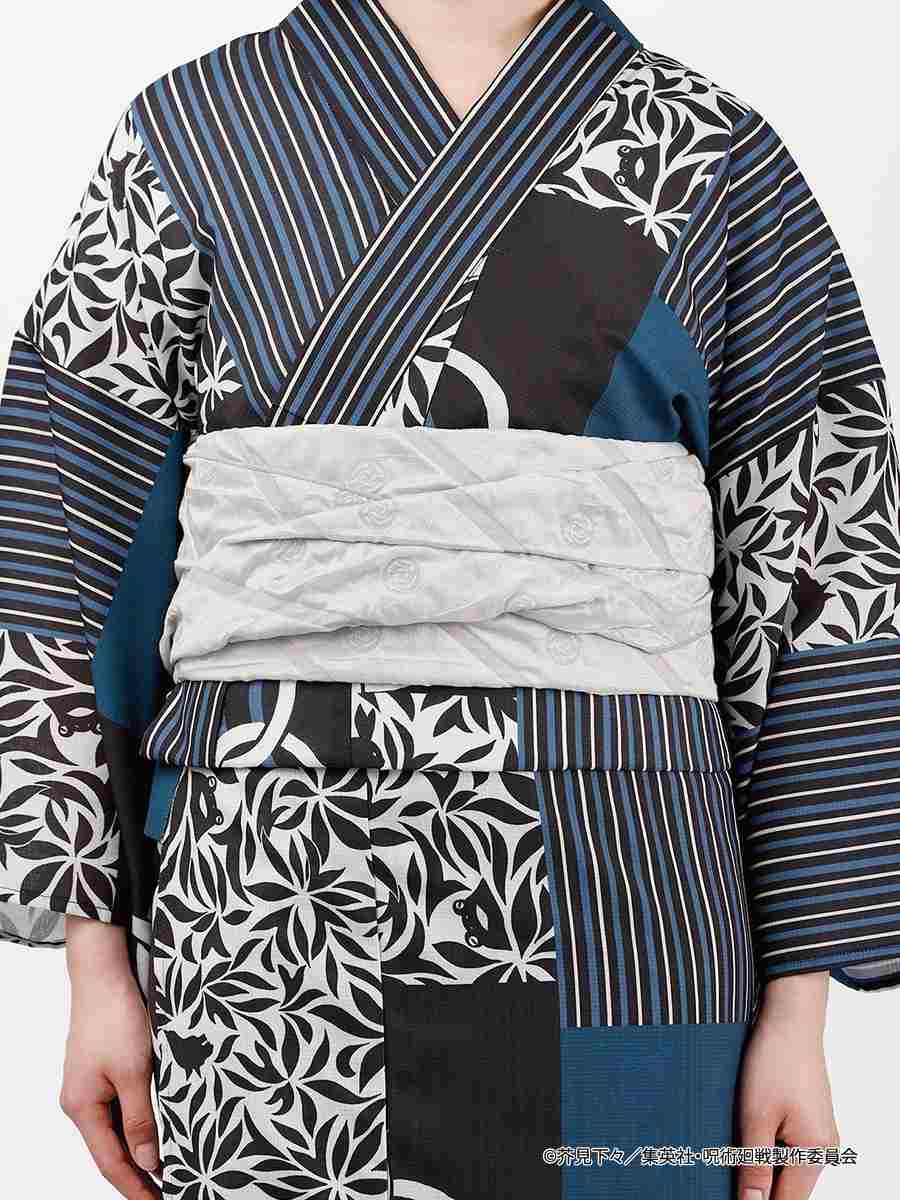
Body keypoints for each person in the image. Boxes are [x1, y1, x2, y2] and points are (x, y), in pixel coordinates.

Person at [1, 2, 897, 1198]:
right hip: (270, 913)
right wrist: (95, 965)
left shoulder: (713, 151)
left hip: (625, 880)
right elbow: (62, 539)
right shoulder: (192, 133)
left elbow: (824, 562)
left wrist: (798, 1010)